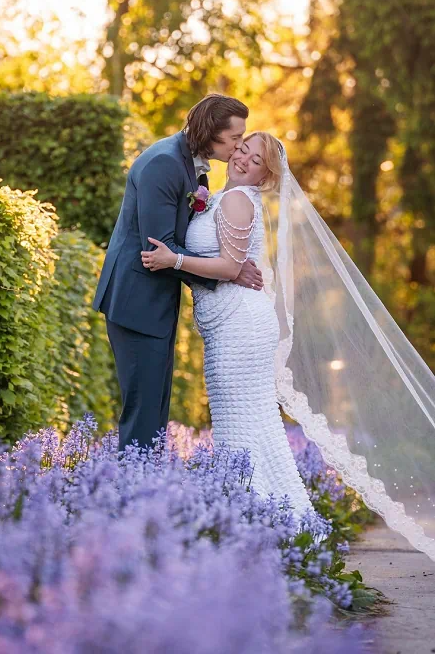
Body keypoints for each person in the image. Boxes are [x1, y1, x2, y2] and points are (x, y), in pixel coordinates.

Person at [143, 131, 435, 560]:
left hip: (241, 327)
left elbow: (229, 266)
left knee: (240, 428)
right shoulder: (220, 197)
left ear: (265, 176)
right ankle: (286, 531)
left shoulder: (238, 200)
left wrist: (175, 260)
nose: (243, 158)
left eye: (255, 159)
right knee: (252, 427)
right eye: (243, 149)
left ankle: (256, 532)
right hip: (228, 324)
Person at [93, 94, 263, 453]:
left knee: (154, 412)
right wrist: (229, 272)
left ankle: (148, 483)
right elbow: (159, 247)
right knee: (143, 413)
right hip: (136, 302)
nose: (238, 147)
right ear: (211, 132)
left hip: (155, 303)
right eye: (235, 138)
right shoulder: (165, 163)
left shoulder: (190, 163)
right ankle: (134, 486)